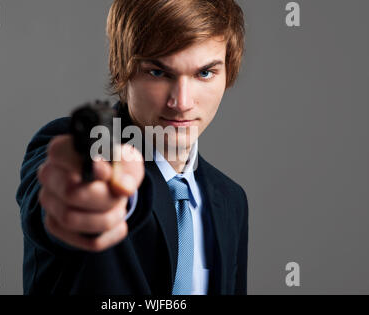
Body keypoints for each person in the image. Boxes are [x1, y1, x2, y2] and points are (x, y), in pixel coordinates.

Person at [16, 0, 248, 295]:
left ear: (228, 74)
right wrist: (92, 193)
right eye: (157, 72)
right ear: (120, 71)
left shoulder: (231, 200)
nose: (182, 103)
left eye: (204, 73)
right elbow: (55, 197)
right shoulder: (83, 148)